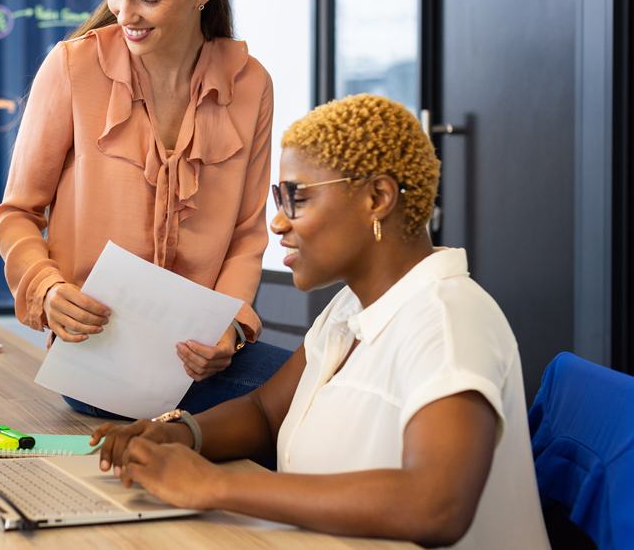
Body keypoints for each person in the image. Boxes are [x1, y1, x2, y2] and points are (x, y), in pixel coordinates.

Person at [91, 94, 552, 549]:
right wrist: (177, 434)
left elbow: (436, 506)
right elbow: (267, 412)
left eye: (297, 198)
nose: (276, 223)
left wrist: (212, 486)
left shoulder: (448, 321)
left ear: (378, 197)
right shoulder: (351, 305)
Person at [0, 0, 291, 418]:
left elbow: (248, 235)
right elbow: (18, 213)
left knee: (320, 395)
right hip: (96, 356)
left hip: (199, 359)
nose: (124, 12)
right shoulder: (71, 68)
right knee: (300, 407)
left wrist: (231, 326)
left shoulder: (252, 85)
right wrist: (47, 289)